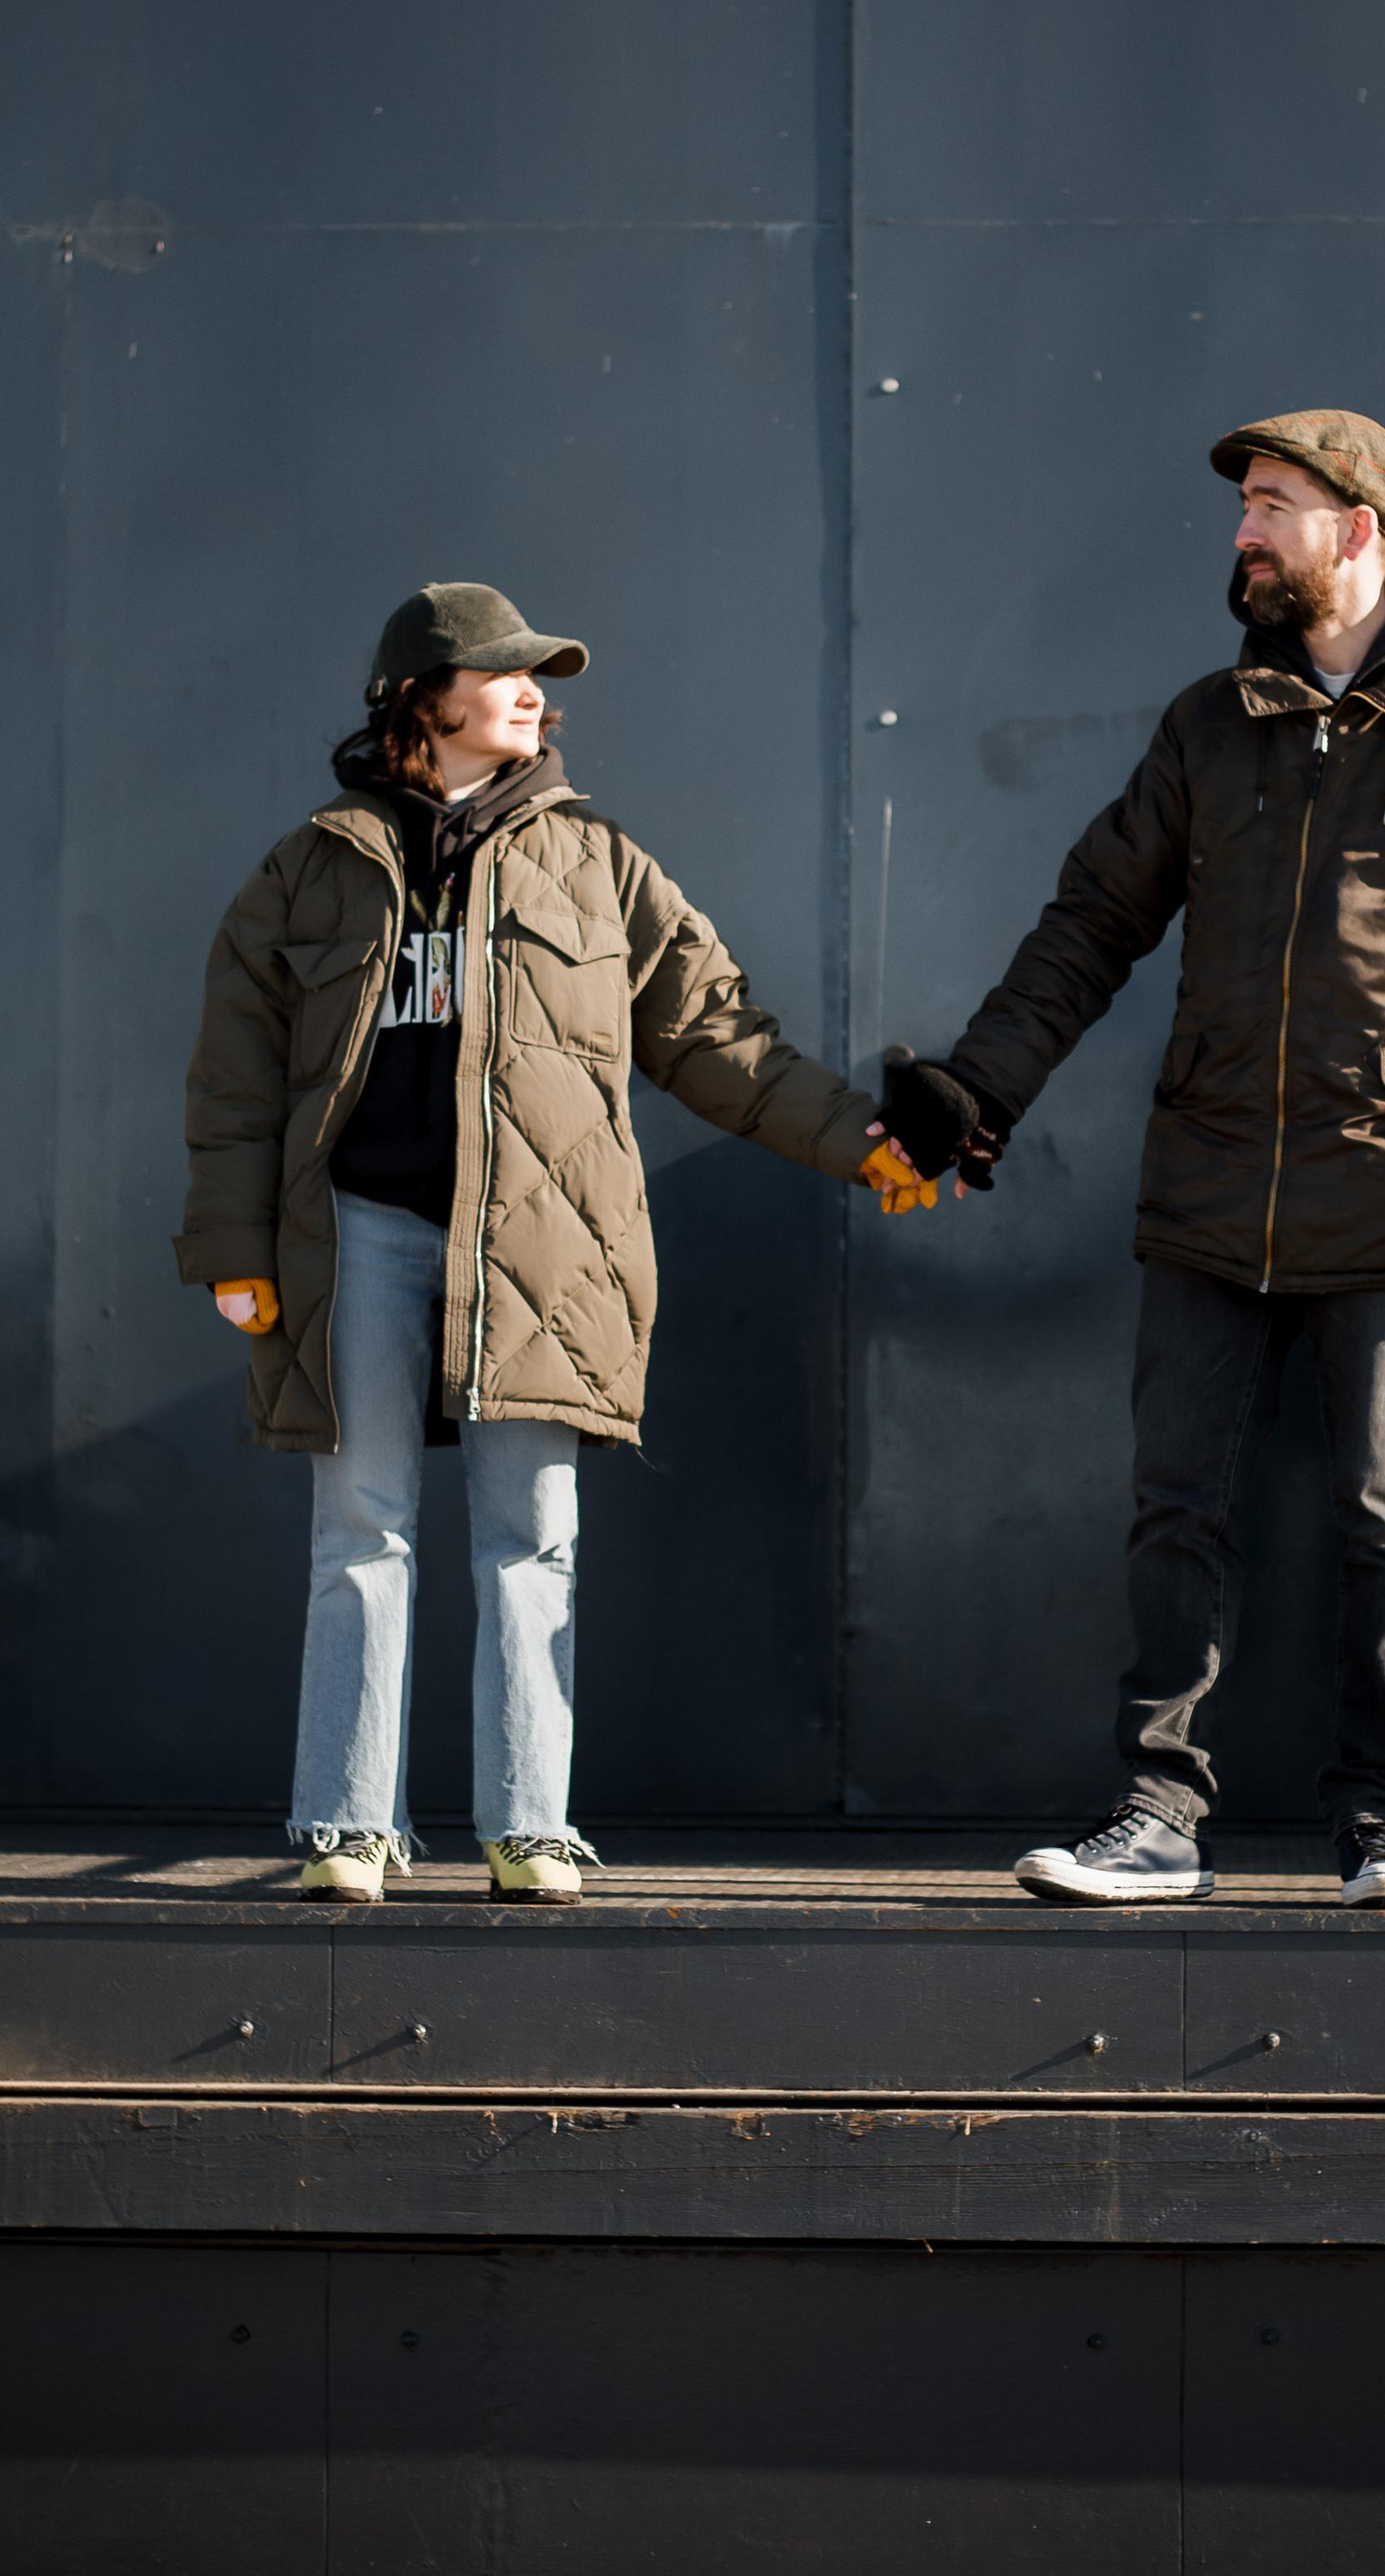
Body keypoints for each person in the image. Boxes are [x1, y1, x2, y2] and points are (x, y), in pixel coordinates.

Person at [878, 412, 1385, 1911]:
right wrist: (976, 1088)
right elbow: (1093, 922)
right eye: (1246, 508)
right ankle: (1158, 1813)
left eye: (1273, 507)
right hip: (1212, 1181)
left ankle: (1380, 1824)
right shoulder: (1209, 723)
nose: (1243, 533)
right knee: (1176, 1508)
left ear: (1361, 530)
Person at [176, 581, 929, 1905]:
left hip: (539, 1247)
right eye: (502, 670)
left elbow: (717, 1038)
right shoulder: (310, 865)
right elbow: (235, 1079)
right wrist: (236, 1250)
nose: (534, 690)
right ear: (421, 697)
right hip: (354, 1233)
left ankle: (531, 1826)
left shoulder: (597, 859)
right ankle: (350, 1828)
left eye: (539, 675)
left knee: (531, 1535)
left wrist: (863, 1141)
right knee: (360, 1528)